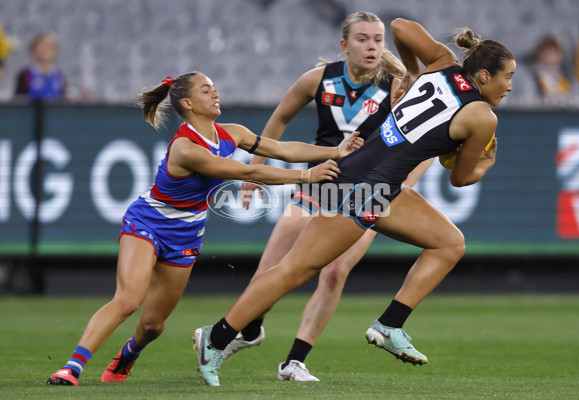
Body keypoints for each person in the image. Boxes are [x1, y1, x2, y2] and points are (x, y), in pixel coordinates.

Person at [194, 16, 515, 387]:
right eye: (508, 76)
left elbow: (400, 26)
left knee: (449, 242)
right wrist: (486, 164)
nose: (510, 86)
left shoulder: (442, 62)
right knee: (294, 270)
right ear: (486, 76)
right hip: (365, 189)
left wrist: (411, 73)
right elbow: (460, 177)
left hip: (372, 181)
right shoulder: (482, 116)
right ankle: (214, 339)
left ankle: (390, 324)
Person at [46, 71, 363, 386]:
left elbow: (282, 150)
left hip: (186, 235)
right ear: (187, 102)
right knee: (128, 300)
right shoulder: (186, 148)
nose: (216, 93)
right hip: (148, 223)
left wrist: (335, 151)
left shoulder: (231, 133)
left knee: (154, 325)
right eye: (206, 90)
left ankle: (128, 354)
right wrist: (307, 176)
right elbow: (242, 170)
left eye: (215, 88)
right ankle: (71, 368)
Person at [227, 11, 432, 382]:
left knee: (335, 272)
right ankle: (247, 329)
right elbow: (277, 121)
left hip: (369, 190)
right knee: (270, 270)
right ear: (344, 45)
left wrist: (405, 183)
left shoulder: (397, 86)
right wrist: (254, 170)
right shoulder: (318, 79)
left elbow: (427, 144)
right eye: (362, 39)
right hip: (319, 183)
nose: (371, 47)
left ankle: (294, 361)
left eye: (378, 39)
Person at [14, 32, 67, 101]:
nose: (44, 50)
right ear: (33, 51)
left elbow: (65, 99)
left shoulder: (60, 74)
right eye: (40, 46)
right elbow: (18, 101)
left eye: (48, 47)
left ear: (54, 51)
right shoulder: (25, 74)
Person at [530, 35, 570, 104]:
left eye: (552, 54)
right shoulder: (534, 76)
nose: (548, 57)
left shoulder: (563, 75)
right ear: (539, 55)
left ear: (560, 56)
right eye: (545, 54)